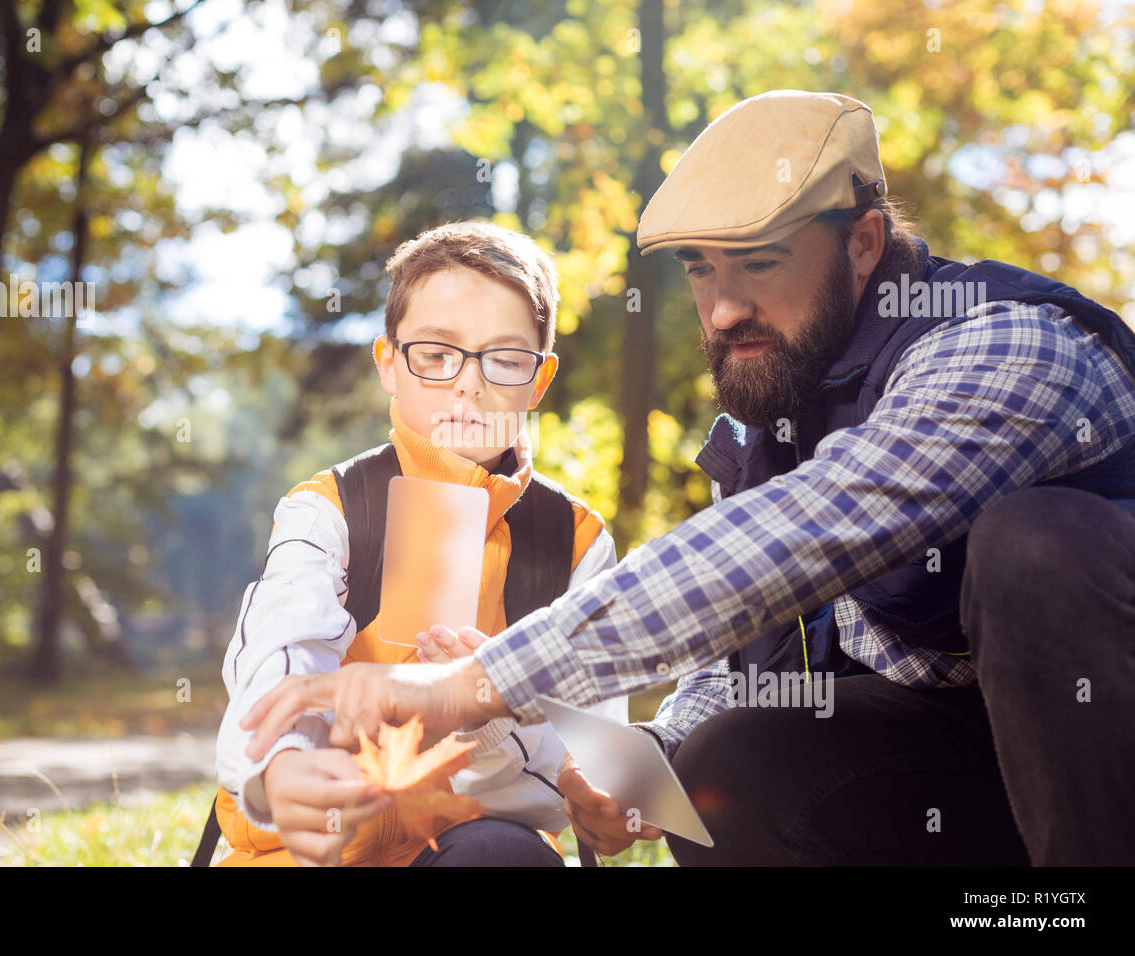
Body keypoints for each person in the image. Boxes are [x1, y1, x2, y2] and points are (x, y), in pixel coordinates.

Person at [240, 90, 1135, 866]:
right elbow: (727, 650)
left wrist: (464, 690)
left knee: (1037, 546)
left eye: (759, 263)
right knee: (727, 759)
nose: (724, 308)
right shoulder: (764, 422)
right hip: (979, 769)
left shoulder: (1010, 348)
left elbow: (800, 535)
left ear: (864, 244)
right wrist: (649, 760)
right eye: (702, 269)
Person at [214, 220, 633, 867]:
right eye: (436, 354)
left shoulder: (576, 542)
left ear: (540, 379)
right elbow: (278, 667)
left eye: (504, 357)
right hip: (311, 852)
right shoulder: (328, 511)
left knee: (503, 855)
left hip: (472, 845)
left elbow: (588, 754)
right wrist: (282, 771)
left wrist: (497, 711)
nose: (468, 384)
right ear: (389, 363)